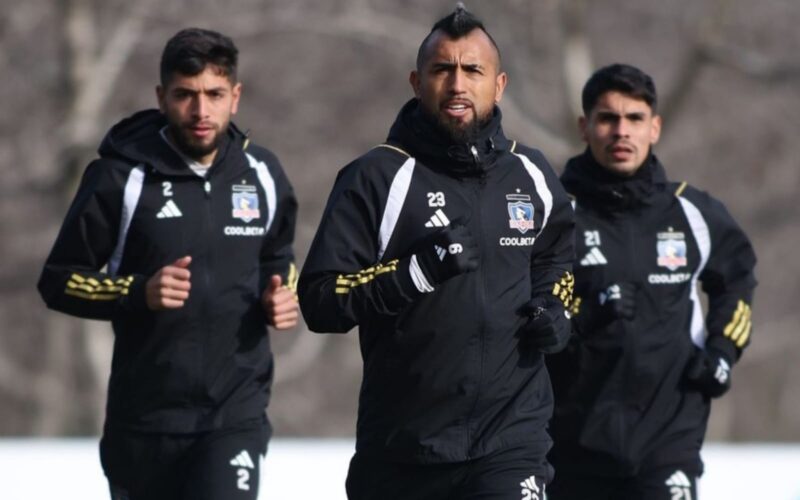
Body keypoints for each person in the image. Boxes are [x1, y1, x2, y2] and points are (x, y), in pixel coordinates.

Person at [298, 5, 575, 499]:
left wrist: (556, 306)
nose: (457, 84)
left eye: (473, 70)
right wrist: (414, 274)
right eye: (442, 69)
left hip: (510, 443)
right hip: (404, 449)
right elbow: (320, 298)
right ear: (416, 80)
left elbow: (558, 258)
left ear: (500, 83)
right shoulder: (377, 176)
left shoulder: (531, 174)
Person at [38, 28, 298, 499]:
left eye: (214, 95)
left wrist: (280, 294)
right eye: (185, 95)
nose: (201, 111)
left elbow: (279, 257)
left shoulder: (262, 174)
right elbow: (57, 281)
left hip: (233, 416)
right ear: (162, 97)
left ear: (234, 97)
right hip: (144, 424)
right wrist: (138, 292)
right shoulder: (121, 178)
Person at [545, 63, 757, 499]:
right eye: (607, 118)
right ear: (585, 127)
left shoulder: (694, 213)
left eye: (635, 119)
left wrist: (721, 351)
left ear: (654, 127)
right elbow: (530, 311)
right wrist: (586, 315)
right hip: (570, 448)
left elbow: (736, 281)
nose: (621, 131)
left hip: (667, 446)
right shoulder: (555, 213)